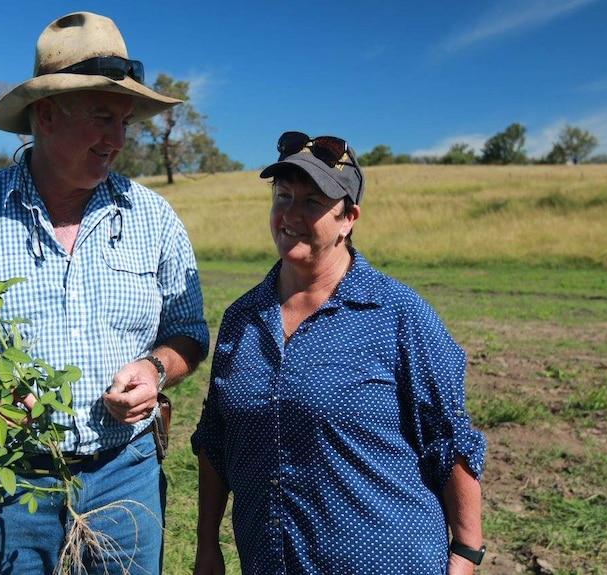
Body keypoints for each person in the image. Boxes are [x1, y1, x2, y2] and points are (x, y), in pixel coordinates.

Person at [0, 11, 210, 575]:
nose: (116, 139)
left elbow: (189, 331)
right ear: (46, 114)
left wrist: (156, 370)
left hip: (126, 477)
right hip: (8, 482)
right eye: (101, 118)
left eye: (124, 122)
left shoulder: (153, 218)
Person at [191, 132, 486, 574]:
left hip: (386, 560)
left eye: (312, 202)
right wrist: (207, 546)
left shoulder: (398, 313)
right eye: (282, 196)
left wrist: (465, 553)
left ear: (348, 217)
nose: (290, 214)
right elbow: (216, 439)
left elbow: (449, 438)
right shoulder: (243, 318)